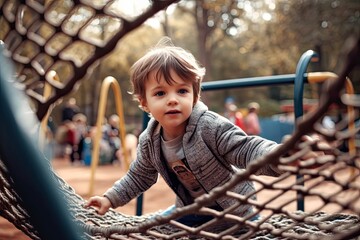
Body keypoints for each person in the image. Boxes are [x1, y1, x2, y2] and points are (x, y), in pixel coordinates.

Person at [85, 37, 323, 226]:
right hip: (191, 212)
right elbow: (139, 176)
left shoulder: (208, 126)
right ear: (144, 102)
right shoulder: (149, 140)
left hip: (235, 214)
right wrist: (110, 199)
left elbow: (246, 149)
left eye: (182, 91)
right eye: (160, 93)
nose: (172, 100)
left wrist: (283, 154)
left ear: (195, 95)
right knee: (152, 228)